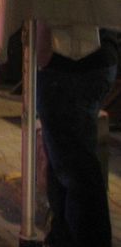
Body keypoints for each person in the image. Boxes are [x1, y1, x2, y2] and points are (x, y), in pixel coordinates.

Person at [36, 24, 118, 247]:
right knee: (68, 163)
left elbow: (50, 0)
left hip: (67, 62)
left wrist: (42, 50)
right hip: (99, 57)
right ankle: (62, 237)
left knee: (75, 172)